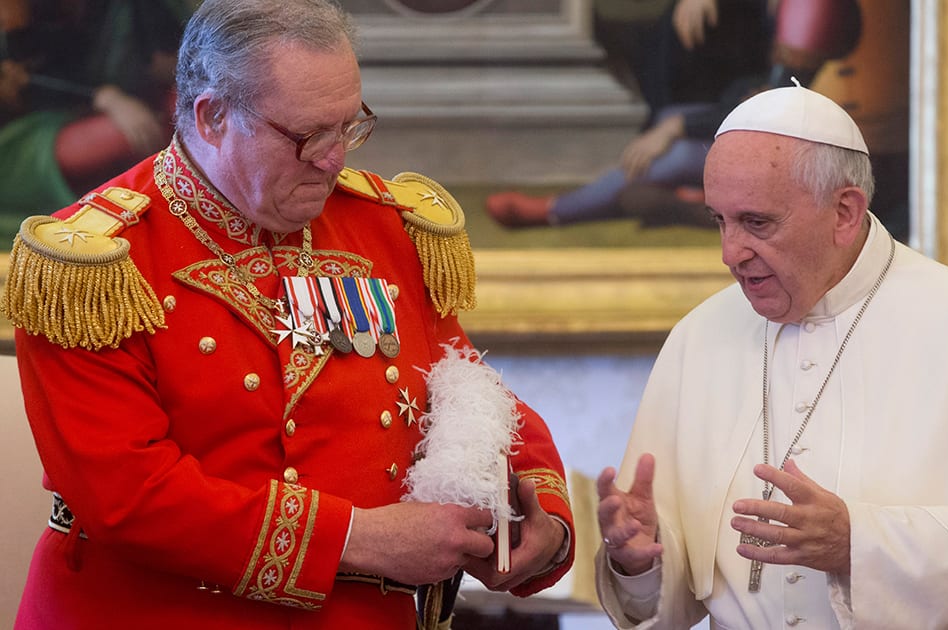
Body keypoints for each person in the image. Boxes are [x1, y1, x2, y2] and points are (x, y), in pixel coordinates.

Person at [1, 1, 574, 628]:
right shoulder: (91, 265)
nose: (333, 160)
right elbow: (128, 495)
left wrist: (538, 513)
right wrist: (359, 538)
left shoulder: (385, 227)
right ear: (212, 116)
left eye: (349, 128)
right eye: (307, 137)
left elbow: (469, 395)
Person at [593, 84, 948, 628]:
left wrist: (859, 544)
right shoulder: (700, 338)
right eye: (719, 219)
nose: (729, 254)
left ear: (845, 213)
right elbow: (667, 602)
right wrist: (636, 564)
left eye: (757, 222)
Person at [486, 0, 868, 232]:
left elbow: (779, 102)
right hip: (742, 115)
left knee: (679, 151)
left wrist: (675, 129)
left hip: (788, 138)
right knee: (675, 116)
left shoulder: (817, 10)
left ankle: (554, 211)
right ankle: (700, 201)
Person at [0, 0, 191, 235]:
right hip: (27, 135)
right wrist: (103, 96)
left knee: (186, 108)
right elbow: (34, 75)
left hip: (120, 102)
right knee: (127, 134)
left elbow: (165, 59)